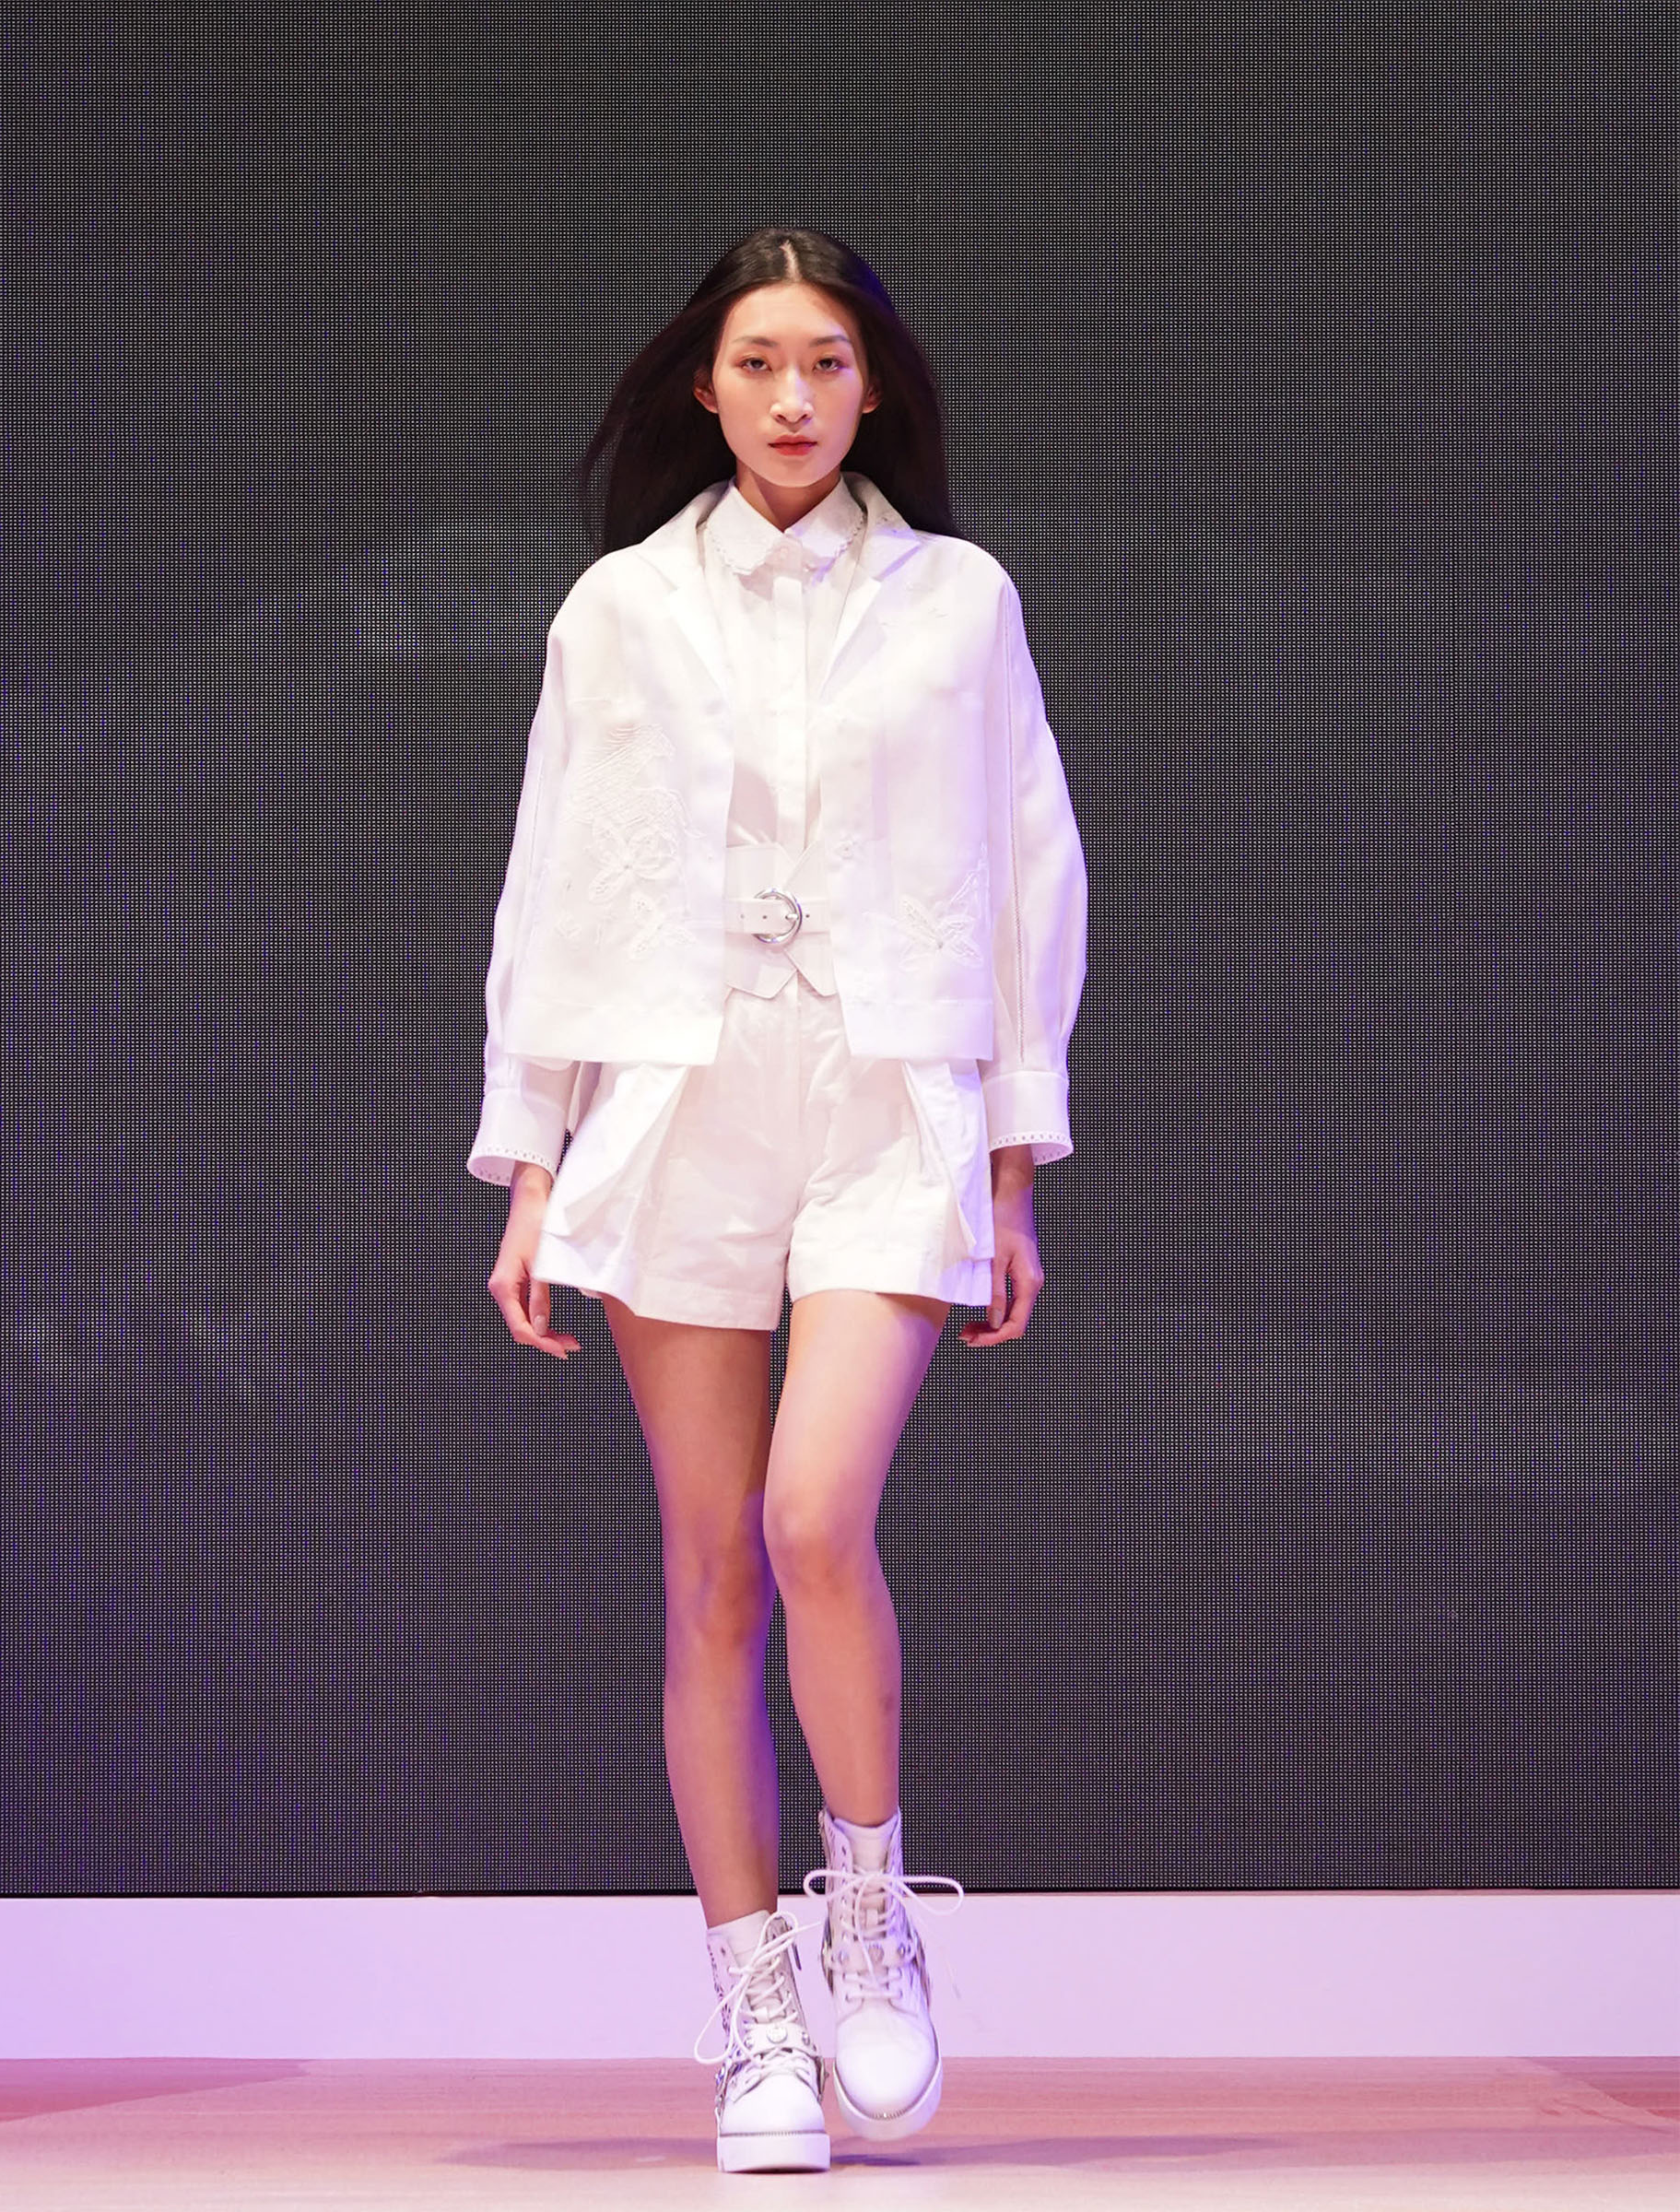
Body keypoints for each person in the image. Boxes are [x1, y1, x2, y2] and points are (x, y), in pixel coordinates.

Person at [467, 227, 1087, 2174]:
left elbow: (1027, 864)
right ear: (706, 385)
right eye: (759, 362)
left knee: (818, 1516)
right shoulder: (621, 610)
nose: (795, 397)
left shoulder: (959, 601)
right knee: (713, 1567)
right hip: (680, 1097)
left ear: (873, 383)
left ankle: (872, 1919)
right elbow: (556, 879)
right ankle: (753, 2020)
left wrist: (1013, 1160)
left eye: (827, 361)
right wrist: (533, 1159)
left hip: (888, 1092)